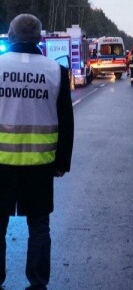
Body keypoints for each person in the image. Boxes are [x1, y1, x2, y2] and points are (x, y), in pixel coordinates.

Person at [0, 14, 74, 290]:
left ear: (10, 35)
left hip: (1, 163)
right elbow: (66, 121)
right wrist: (62, 162)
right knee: (39, 226)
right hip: (40, 163)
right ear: (40, 38)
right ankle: (38, 283)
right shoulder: (55, 71)